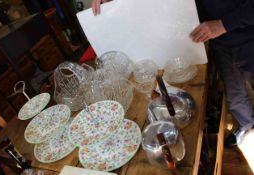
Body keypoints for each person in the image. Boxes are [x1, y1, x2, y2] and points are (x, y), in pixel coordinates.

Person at [91, 0, 254, 147]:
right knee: (235, 95)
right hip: (220, 42)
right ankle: (246, 126)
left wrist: (223, 24)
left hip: (248, 35)